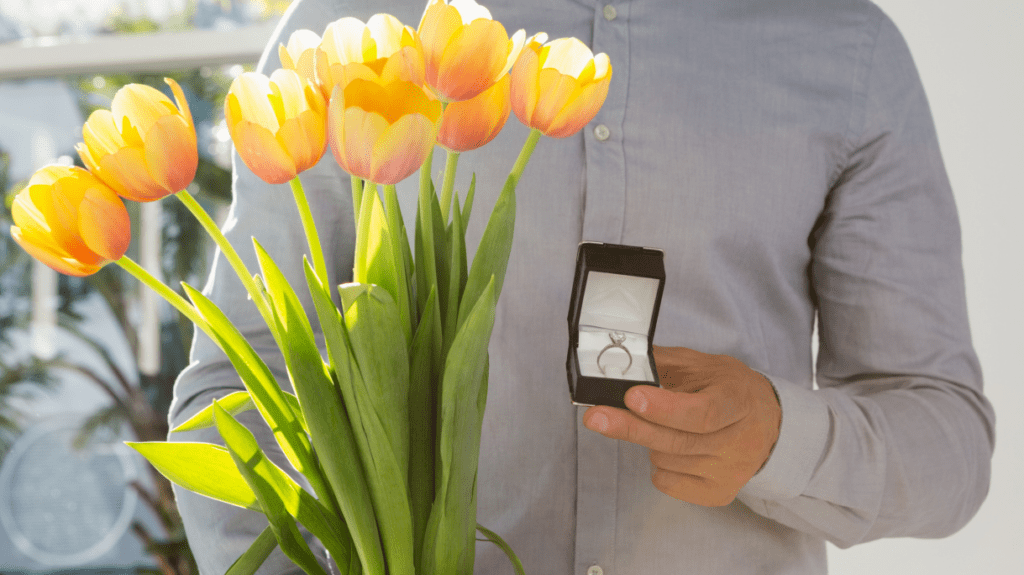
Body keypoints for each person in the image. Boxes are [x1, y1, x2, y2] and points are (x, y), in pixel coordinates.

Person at [168, 0, 995, 573]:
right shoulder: (349, 33)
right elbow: (234, 386)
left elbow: (947, 437)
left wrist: (781, 439)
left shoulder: (847, 51)